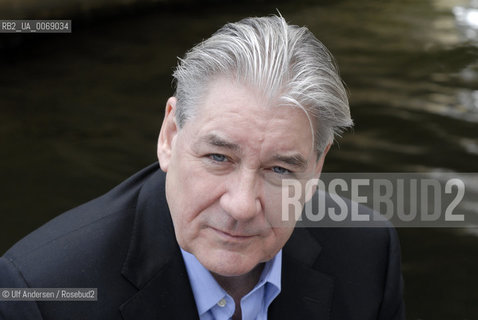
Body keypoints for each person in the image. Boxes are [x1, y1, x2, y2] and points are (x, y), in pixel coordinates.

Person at [0, 15, 405, 319]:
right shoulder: (42, 292)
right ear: (170, 136)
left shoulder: (367, 250)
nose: (242, 206)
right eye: (218, 158)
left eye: (280, 170)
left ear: (317, 167)